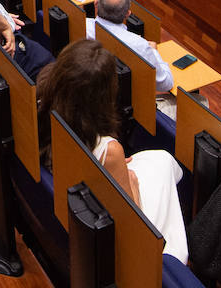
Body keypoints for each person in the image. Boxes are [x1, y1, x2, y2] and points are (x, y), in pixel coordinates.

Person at [36, 38, 187, 262]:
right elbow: (134, 228)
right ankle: (173, 261)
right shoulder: (108, 149)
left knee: (161, 160)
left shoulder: (43, 99)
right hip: (109, 229)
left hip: (76, 193)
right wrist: (131, 181)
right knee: (164, 171)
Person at [86, 0, 176, 120]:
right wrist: (153, 51)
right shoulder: (138, 45)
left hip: (89, 94)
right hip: (121, 109)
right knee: (200, 100)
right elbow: (166, 83)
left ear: (96, 4)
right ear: (128, 14)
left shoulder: (82, 25)